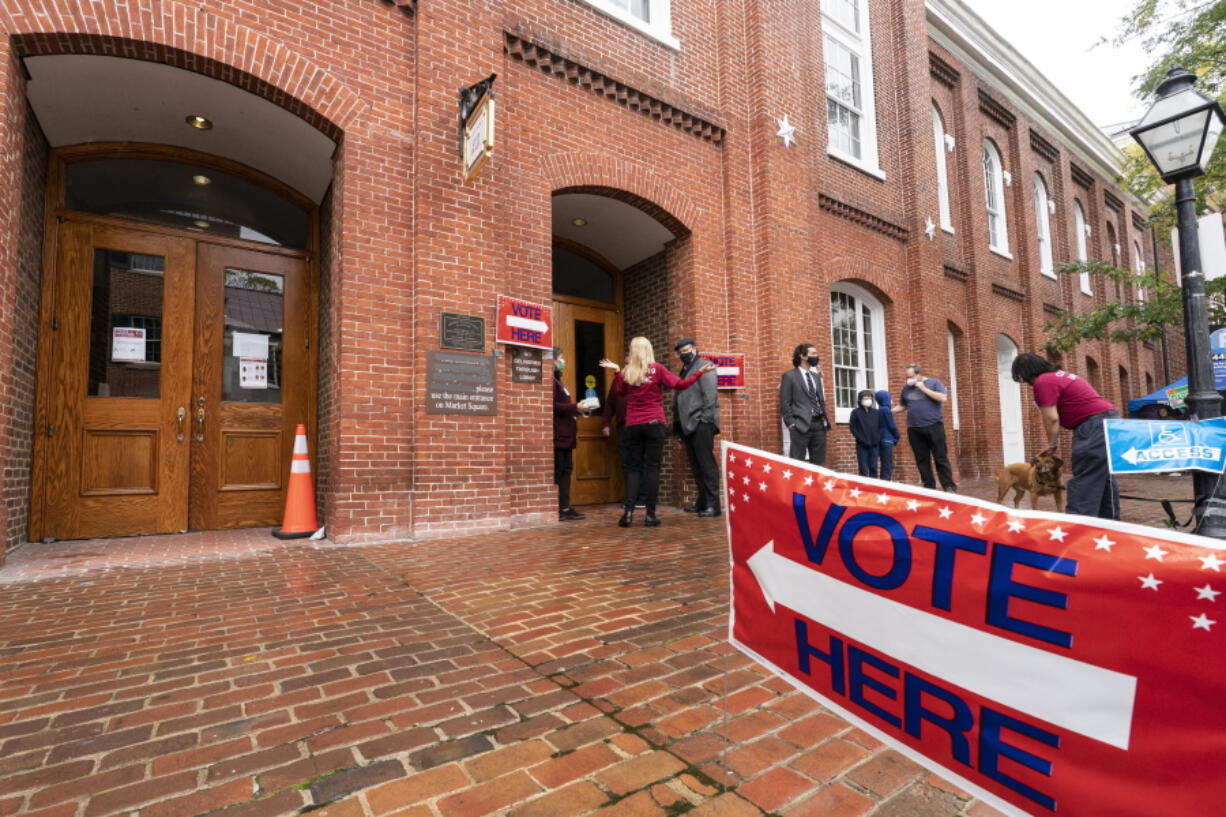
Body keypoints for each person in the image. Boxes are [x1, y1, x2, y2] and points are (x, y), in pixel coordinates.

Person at [599, 337, 714, 527]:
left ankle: (628, 513)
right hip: (654, 423)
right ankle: (650, 516)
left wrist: (618, 371)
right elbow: (680, 385)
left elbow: (620, 392)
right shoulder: (658, 369)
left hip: (633, 424)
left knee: (633, 469)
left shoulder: (628, 371)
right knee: (652, 468)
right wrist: (699, 372)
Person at [1012, 353, 1119, 520]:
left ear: (1027, 372)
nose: (1027, 384)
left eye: (1024, 379)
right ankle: (1110, 524)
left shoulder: (1043, 382)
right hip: (1109, 422)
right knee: (1102, 476)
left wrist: (1052, 444)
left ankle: (1078, 527)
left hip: (1093, 426)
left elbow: (1051, 417)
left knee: (1086, 477)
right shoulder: (1060, 376)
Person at [673, 338, 721, 517]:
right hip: (688, 425)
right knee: (696, 465)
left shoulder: (704, 365)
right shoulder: (685, 370)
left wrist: (705, 419)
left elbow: (710, 395)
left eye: (687, 349)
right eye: (680, 351)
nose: (684, 353)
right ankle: (702, 502)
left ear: (694, 348)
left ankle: (713, 505)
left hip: (702, 423)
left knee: (706, 464)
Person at [894, 363, 957, 491]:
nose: (909, 379)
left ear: (919, 374)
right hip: (914, 428)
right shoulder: (906, 388)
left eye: (911, 376)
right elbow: (903, 406)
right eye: (907, 377)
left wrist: (923, 388)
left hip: (933, 425)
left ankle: (948, 485)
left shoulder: (934, 383)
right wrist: (888, 411)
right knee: (921, 459)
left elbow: (943, 398)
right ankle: (929, 487)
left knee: (940, 457)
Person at [552, 349, 590, 521]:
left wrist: (579, 410)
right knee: (559, 472)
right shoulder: (551, 382)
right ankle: (559, 508)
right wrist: (575, 407)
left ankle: (565, 507)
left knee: (567, 470)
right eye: (560, 358)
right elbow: (553, 406)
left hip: (567, 435)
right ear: (552, 360)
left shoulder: (559, 382)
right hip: (559, 435)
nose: (563, 361)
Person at [601, 362, 645, 509]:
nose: (628, 366)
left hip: (638, 425)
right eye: (626, 363)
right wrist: (606, 423)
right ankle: (631, 496)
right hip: (622, 427)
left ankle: (642, 498)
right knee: (626, 462)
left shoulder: (642, 378)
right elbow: (610, 403)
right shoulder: (618, 380)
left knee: (638, 460)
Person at [780, 343, 831, 464]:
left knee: (819, 464)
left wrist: (824, 420)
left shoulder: (816, 376)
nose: (817, 356)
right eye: (813, 354)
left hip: (819, 425)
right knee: (797, 463)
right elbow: (785, 402)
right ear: (802, 356)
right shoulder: (789, 376)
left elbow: (820, 400)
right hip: (800, 425)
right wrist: (791, 424)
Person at [849, 390, 882, 477]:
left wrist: (877, 439)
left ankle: (873, 487)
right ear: (860, 400)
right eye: (865, 398)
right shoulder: (856, 412)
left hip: (874, 445)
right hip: (862, 445)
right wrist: (861, 440)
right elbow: (853, 428)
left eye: (870, 397)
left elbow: (880, 427)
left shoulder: (876, 412)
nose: (868, 399)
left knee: (873, 467)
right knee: (863, 468)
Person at [875, 389, 901, 480]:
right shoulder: (886, 410)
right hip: (887, 439)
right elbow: (891, 425)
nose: (891, 400)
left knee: (884, 463)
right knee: (887, 464)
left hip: (881, 439)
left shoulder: (879, 410)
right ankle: (886, 483)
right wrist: (897, 435)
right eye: (890, 398)